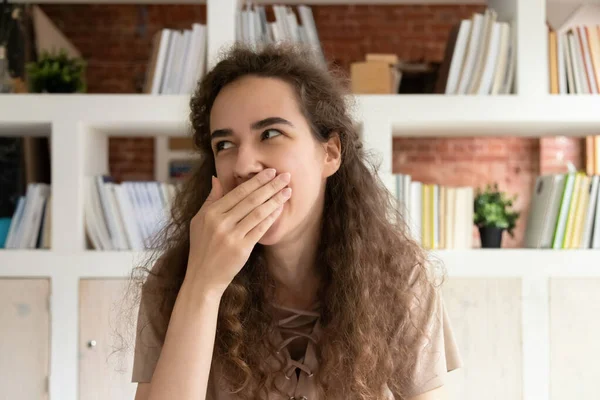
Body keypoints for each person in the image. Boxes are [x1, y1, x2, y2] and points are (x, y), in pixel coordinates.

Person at [130, 43, 462, 400]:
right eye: (224, 144)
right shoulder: (174, 279)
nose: (243, 166)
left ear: (330, 153)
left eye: (270, 134)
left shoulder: (400, 277)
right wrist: (202, 286)